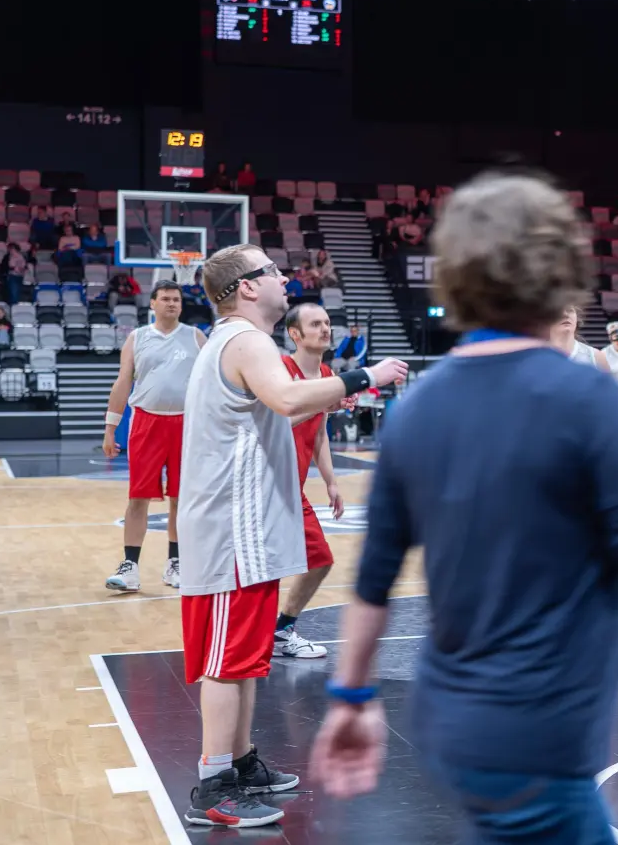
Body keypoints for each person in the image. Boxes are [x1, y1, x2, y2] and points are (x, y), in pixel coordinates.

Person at [309, 172, 618, 841]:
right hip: (545, 727)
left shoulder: (418, 406)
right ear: (556, 271)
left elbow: (373, 581)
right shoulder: (586, 400)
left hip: (454, 720)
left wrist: (351, 698)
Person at [179, 244, 407, 827]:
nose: (285, 280)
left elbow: (275, 413)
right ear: (247, 288)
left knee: (248, 659)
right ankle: (211, 787)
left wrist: (332, 393)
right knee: (227, 661)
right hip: (231, 530)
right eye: (273, 272)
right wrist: (365, 374)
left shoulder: (238, 342)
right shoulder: (245, 339)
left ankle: (240, 762)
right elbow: (284, 400)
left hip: (247, 528)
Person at [101, 281, 205, 593]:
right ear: (153, 304)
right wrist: (110, 428)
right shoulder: (137, 337)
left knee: (180, 498)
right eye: (166, 299)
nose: (172, 304)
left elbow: (212, 383)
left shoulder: (197, 337)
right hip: (146, 423)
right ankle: (130, 567)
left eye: (177, 300)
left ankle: (175, 563)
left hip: (187, 424)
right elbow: (122, 384)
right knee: (138, 497)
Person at [274, 304, 354, 659]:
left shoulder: (325, 373)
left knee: (319, 560)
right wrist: (321, 403)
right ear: (295, 334)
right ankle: (245, 637)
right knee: (263, 568)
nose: (325, 328)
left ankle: (281, 631)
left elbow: (319, 435)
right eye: (315, 324)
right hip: (264, 484)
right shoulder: (279, 370)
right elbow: (274, 424)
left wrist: (331, 482)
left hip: (293, 487)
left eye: (327, 323)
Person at [550, 304, 609, 371]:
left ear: (577, 318)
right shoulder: (538, 356)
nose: (565, 314)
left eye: (570, 310)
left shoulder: (596, 357)